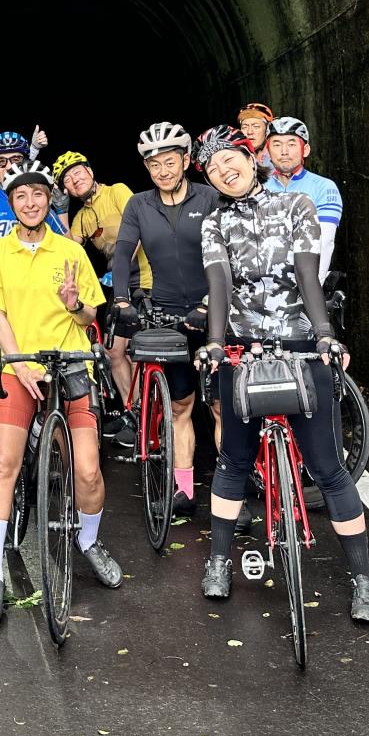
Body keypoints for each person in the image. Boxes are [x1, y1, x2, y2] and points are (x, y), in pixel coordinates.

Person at [191, 124, 369, 623]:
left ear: (250, 157)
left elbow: (306, 271)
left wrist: (324, 333)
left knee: (328, 467)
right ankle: (217, 561)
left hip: (298, 341)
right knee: (232, 461)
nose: (223, 170)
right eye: (212, 168)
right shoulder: (213, 223)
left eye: (229, 158)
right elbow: (219, 283)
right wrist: (215, 344)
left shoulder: (296, 205)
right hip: (241, 348)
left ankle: (363, 579)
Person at [0, 160, 122, 627]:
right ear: (11, 203)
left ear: (49, 199)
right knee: (1, 465)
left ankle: (88, 541)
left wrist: (74, 303)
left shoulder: (70, 251)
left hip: (71, 363)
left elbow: (87, 320)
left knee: (89, 471)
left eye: (38, 195)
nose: (31, 203)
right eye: (21, 197)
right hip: (20, 366)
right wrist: (17, 364)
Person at [108, 122, 217, 515]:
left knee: (222, 408)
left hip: (215, 309)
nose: (163, 171)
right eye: (154, 165)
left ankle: (231, 490)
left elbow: (231, 257)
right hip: (170, 313)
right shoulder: (139, 205)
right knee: (181, 406)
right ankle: (184, 489)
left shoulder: (211, 198)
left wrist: (208, 303)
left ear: (186, 161)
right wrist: (121, 299)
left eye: (170, 162)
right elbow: (123, 253)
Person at [53, 149, 152, 448]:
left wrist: (120, 263)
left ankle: (156, 414)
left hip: (148, 281)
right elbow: (69, 248)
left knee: (143, 351)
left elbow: (140, 226)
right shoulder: (83, 217)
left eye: (79, 171)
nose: (75, 178)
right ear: (66, 190)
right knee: (114, 351)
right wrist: (61, 212)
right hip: (120, 287)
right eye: (68, 179)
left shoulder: (117, 191)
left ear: (91, 172)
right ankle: (133, 412)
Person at [259, 116, 343, 285]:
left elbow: (325, 242)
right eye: (276, 144)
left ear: (305, 150)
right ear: (267, 150)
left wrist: (312, 289)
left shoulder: (324, 187)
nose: (284, 151)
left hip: (305, 283)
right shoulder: (257, 187)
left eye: (291, 144)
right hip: (262, 287)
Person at [0, 129, 63, 243]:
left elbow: (70, 250)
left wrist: (62, 211)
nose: (9, 167)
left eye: (16, 160)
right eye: (1, 161)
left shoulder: (39, 204)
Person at [237, 102, 274, 168]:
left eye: (256, 126)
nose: (249, 132)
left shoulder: (278, 158)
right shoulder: (238, 158)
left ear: (267, 130)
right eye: (245, 127)